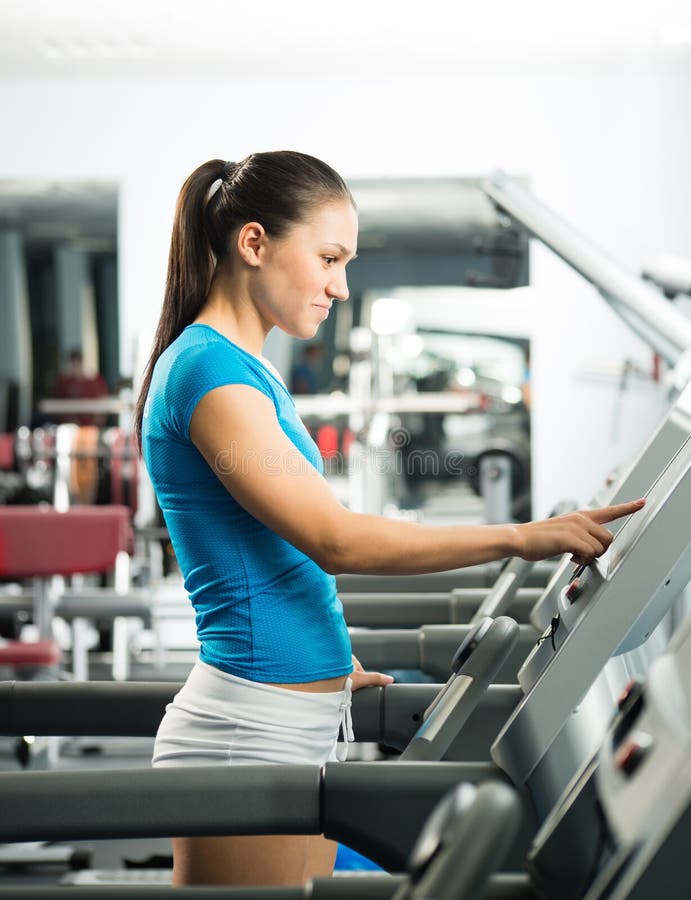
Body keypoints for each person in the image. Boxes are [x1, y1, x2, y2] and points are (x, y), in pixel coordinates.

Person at [133, 151, 644, 889]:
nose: (341, 285)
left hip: (290, 719)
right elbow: (331, 539)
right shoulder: (209, 374)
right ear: (253, 244)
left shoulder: (241, 366)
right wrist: (518, 538)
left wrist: (328, 664)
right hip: (248, 732)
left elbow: (272, 557)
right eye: (329, 258)